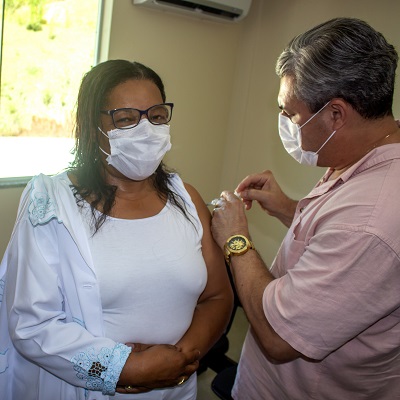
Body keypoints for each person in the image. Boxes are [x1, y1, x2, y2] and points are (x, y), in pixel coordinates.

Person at [0, 59, 233, 400]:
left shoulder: (187, 198)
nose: (146, 129)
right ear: (93, 126)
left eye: (156, 116)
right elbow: (31, 324)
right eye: (126, 119)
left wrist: (178, 361)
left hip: (175, 388)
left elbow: (217, 297)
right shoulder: (50, 203)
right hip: (83, 389)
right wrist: (129, 369)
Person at [211, 17, 400, 399]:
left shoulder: (371, 220)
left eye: (290, 114)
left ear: (335, 115)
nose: (284, 122)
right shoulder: (368, 151)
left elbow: (279, 337)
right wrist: (290, 209)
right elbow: (338, 239)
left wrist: (236, 240)